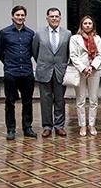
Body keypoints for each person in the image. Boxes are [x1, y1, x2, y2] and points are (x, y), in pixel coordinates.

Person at [0, 5, 36, 140]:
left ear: (25, 17)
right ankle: (11, 129)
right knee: (10, 102)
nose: (20, 17)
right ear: (12, 16)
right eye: (17, 15)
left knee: (27, 101)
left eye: (22, 15)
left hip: (26, 72)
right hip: (11, 72)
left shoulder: (30, 33)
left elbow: (32, 51)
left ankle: (27, 128)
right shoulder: (4, 32)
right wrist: (8, 63)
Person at [32, 7, 71, 138]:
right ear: (47, 18)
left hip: (61, 71)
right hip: (44, 70)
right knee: (45, 100)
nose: (54, 18)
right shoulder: (39, 34)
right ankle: (47, 126)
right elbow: (35, 51)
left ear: (60, 18)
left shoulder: (67, 34)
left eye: (56, 16)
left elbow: (68, 53)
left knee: (60, 100)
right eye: (52, 16)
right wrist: (43, 63)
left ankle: (59, 126)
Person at [69, 15, 101, 136]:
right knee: (81, 99)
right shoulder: (74, 38)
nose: (88, 25)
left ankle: (92, 124)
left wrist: (92, 66)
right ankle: (82, 125)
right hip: (80, 71)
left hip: (94, 70)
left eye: (90, 23)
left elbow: (100, 54)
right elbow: (73, 55)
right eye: (85, 23)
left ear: (93, 25)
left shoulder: (97, 38)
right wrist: (84, 68)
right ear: (81, 25)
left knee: (93, 99)